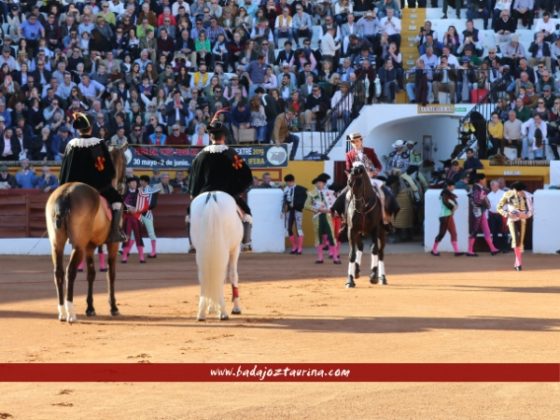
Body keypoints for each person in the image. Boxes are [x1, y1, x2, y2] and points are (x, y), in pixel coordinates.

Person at [58, 112, 126, 243]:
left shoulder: (71, 144)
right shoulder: (97, 144)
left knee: (62, 203)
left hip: (74, 185)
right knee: (117, 201)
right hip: (95, 186)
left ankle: (63, 227)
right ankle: (114, 232)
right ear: (91, 128)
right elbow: (104, 168)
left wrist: (63, 186)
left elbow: (64, 169)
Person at [187, 119, 253, 251]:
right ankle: (246, 242)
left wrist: (194, 195)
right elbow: (247, 177)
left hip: (203, 194)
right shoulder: (232, 155)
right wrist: (237, 191)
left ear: (210, 136)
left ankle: (193, 244)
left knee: (189, 216)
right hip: (228, 193)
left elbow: (194, 180)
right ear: (224, 136)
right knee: (247, 214)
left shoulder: (199, 157)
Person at [497, 181, 533, 271]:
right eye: (517, 191)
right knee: (515, 239)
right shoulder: (507, 194)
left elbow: (531, 210)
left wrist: (526, 215)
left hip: (522, 220)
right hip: (512, 220)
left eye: (520, 191)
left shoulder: (527, 196)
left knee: (520, 242)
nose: (518, 193)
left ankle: (517, 261)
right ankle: (518, 263)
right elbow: (499, 207)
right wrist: (507, 214)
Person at [305, 173, 340, 264]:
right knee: (318, 237)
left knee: (332, 236)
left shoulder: (330, 193)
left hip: (328, 216)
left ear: (324, 183)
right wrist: (317, 209)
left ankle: (335, 257)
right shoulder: (311, 193)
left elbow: (335, 205)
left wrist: (332, 211)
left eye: (320, 182)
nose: (318, 184)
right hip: (317, 217)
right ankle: (320, 258)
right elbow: (306, 205)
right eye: (317, 183)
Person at [467, 173, 500, 257]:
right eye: (484, 179)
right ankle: (469, 250)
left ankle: (492, 249)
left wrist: (485, 204)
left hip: (481, 212)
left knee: (487, 230)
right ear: (481, 180)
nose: (485, 181)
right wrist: (484, 204)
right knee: (475, 230)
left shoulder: (479, 188)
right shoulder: (476, 189)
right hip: (477, 212)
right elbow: (476, 201)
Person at [431, 180, 463, 256]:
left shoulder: (445, 193)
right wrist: (453, 208)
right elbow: (447, 203)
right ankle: (434, 250)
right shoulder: (445, 194)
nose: (454, 187)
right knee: (442, 233)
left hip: (447, 215)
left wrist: (453, 208)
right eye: (453, 186)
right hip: (445, 216)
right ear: (448, 186)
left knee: (453, 233)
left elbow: (451, 203)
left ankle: (456, 251)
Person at [121, 176, 146, 263]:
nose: (134, 184)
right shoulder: (124, 194)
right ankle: (124, 256)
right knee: (126, 236)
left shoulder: (140, 193)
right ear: (128, 184)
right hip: (127, 218)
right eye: (132, 182)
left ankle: (141, 257)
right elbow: (121, 207)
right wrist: (128, 209)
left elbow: (144, 206)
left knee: (138, 236)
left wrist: (137, 209)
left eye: (135, 182)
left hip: (137, 217)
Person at [283, 174, 308, 255]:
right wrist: (283, 209)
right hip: (289, 211)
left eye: (289, 182)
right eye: (287, 182)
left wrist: (296, 205)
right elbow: (284, 201)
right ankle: (294, 247)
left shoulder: (301, 189)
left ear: (293, 181)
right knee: (289, 228)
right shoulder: (286, 189)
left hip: (297, 210)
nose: (288, 184)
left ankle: (300, 248)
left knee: (299, 229)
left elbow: (304, 200)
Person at [138, 175, 160, 258]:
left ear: (145, 182)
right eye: (140, 181)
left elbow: (151, 204)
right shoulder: (139, 190)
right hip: (139, 214)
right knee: (133, 232)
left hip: (146, 214)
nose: (140, 182)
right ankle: (126, 251)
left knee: (151, 233)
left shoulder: (151, 190)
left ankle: (154, 252)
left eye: (142, 181)